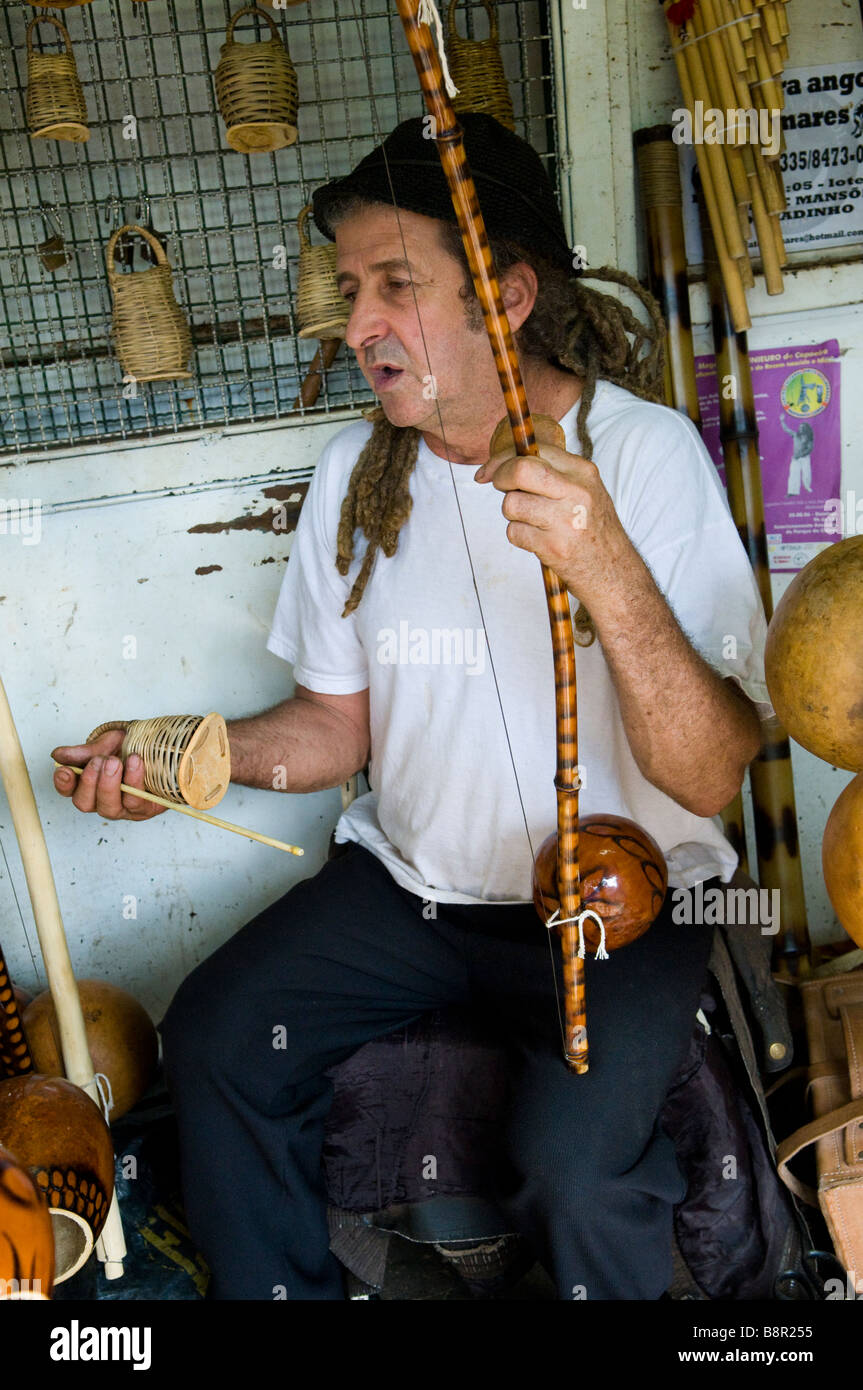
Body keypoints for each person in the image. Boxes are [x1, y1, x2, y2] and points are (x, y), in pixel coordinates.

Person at [52, 114, 768, 1301]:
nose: (360, 323)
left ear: (511, 295)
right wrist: (184, 757)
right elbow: (336, 732)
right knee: (223, 1038)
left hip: (618, 908)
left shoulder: (638, 458)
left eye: (397, 285)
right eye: (348, 289)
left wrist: (607, 569)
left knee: (574, 1167)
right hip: (414, 894)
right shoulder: (359, 477)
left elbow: (708, 778)